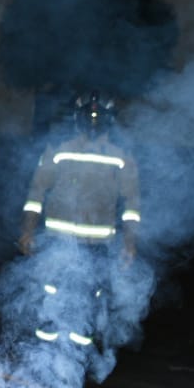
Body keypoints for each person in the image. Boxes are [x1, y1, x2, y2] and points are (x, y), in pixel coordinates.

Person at [16, 90, 141, 356]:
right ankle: (44, 354)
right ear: (77, 118)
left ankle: (77, 359)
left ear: (109, 120)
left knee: (88, 298)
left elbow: (132, 204)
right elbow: (35, 193)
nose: (93, 121)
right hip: (57, 242)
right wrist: (27, 230)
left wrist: (129, 243)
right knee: (51, 294)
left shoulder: (121, 156)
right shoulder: (58, 150)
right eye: (89, 115)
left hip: (97, 245)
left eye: (99, 116)